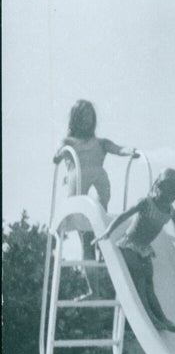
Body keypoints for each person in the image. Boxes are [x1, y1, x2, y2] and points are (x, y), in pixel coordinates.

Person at [94, 169, 175, 332]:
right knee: (139, 279)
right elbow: (124, 216)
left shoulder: (171, 211)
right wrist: (108, 232)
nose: (173, 196)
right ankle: (151, 317)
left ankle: (162, 317)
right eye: (171, 191)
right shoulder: (146, 203)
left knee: (149, 283)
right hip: (129, 244)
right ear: (159, 187)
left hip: (144, 248)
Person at [54, 99, 139, 289]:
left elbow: (118, 149)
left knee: (99, 235)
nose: (87, 121)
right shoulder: (69, 142)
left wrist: (130, 151)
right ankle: (94, 289)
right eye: (83, 117)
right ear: (75, 120)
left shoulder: (100, 143)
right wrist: (59, 155)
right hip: (79, 199)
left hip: (98, 199)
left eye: (90, 118)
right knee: (87, 243)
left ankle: (103, 261)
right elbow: (60, 152)